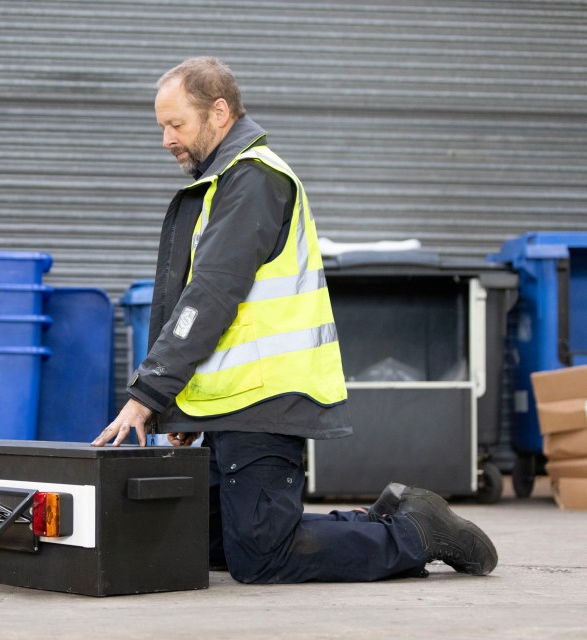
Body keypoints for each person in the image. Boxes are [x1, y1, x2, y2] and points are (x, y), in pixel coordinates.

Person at [91, 57, 498, 583]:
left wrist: (149, 395)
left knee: (261, 557)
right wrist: (185, 412)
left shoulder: (253, 181)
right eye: (161, 126)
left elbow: (211, 296)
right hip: (228, 408)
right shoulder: (222, 185)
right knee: (207, 544)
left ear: (219, 112)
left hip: (262, 402)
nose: (166, 139)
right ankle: (377, 521)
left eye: (176, 124)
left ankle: (418, 532)